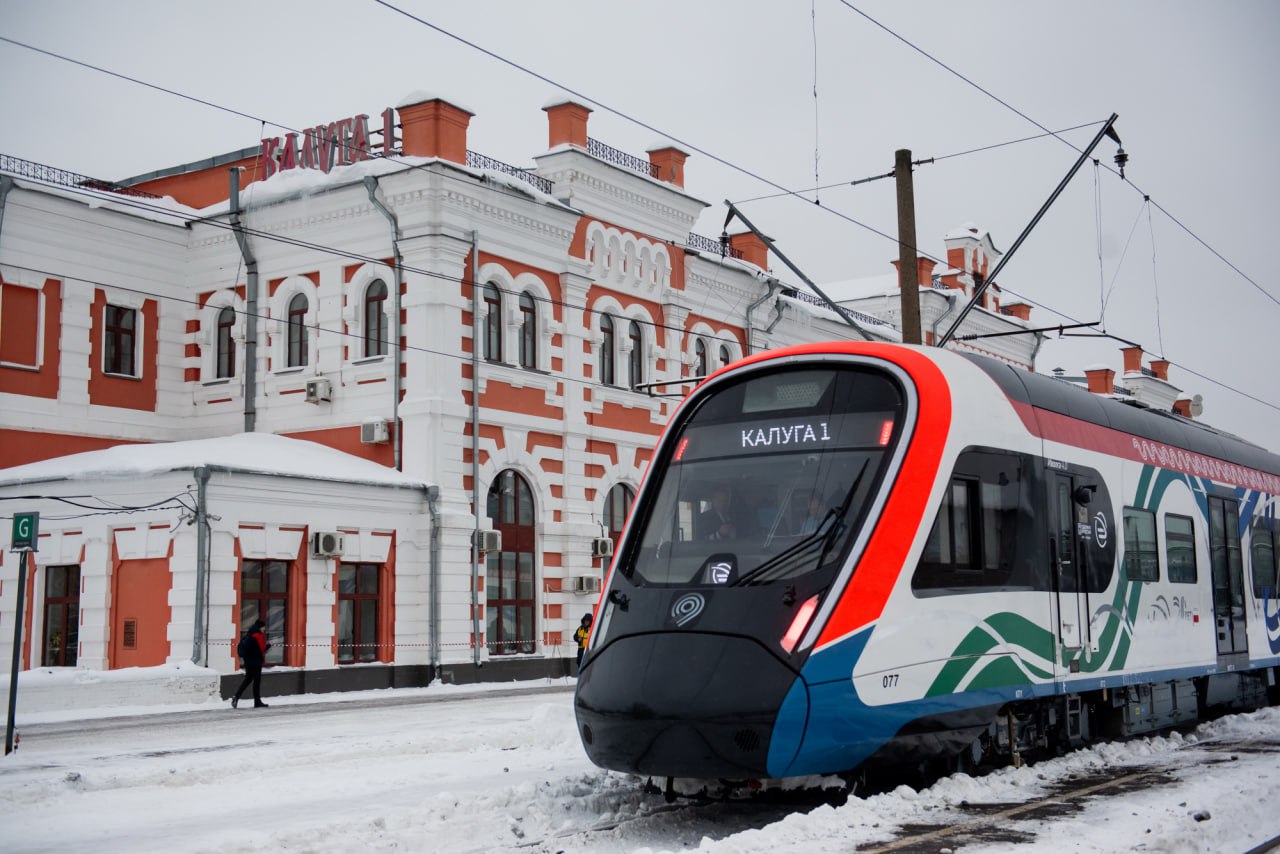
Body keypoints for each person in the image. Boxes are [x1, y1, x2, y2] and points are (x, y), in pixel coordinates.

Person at [231, 619, 271, 709]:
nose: (264, 629)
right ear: (260, 627)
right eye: (264, 627)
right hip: (256, 662)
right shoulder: (258, 635)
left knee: (248, 680)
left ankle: (236, 697)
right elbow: (262, 648)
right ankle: (257, 702)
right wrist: (268, 645)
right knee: (256, 682)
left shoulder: (249, 634)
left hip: (248, 662)